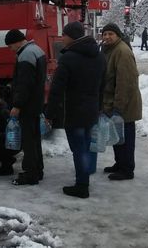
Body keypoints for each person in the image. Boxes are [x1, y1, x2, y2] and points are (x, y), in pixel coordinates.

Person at [46, 21, 106, 198]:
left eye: (64, 35)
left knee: (79, 149)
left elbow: (57, 89)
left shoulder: (68, 58)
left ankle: (82, 185)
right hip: (91, 110)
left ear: (71, 36)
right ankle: (84, 177)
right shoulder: (99, 56)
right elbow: (104, 84)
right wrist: (100, 106)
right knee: (86, 146)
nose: (62, 38)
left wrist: (49, 114)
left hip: (74, 111)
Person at [101, 23, 142, 180]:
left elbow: (125, 82)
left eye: (110, 34)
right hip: (114, 102)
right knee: (117, 135)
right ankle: (120, 163)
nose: (107, 37)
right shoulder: (110, 50)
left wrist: (118, 106)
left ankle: (127, 169)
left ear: (117, 35)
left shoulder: (122, 51)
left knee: (126, 137)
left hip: (124, 104)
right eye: (105, 34)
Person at [5, 29, 46, 185]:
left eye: (10, 46)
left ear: (16, 42)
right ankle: (38, 170)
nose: (11, 50)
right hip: (36, 102)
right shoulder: (37, 50)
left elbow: (24, 84)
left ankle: (30, 174)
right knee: (35, 139)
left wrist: (17, 105)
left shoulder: (26, 55)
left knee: (28, 140)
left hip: (28, 105)